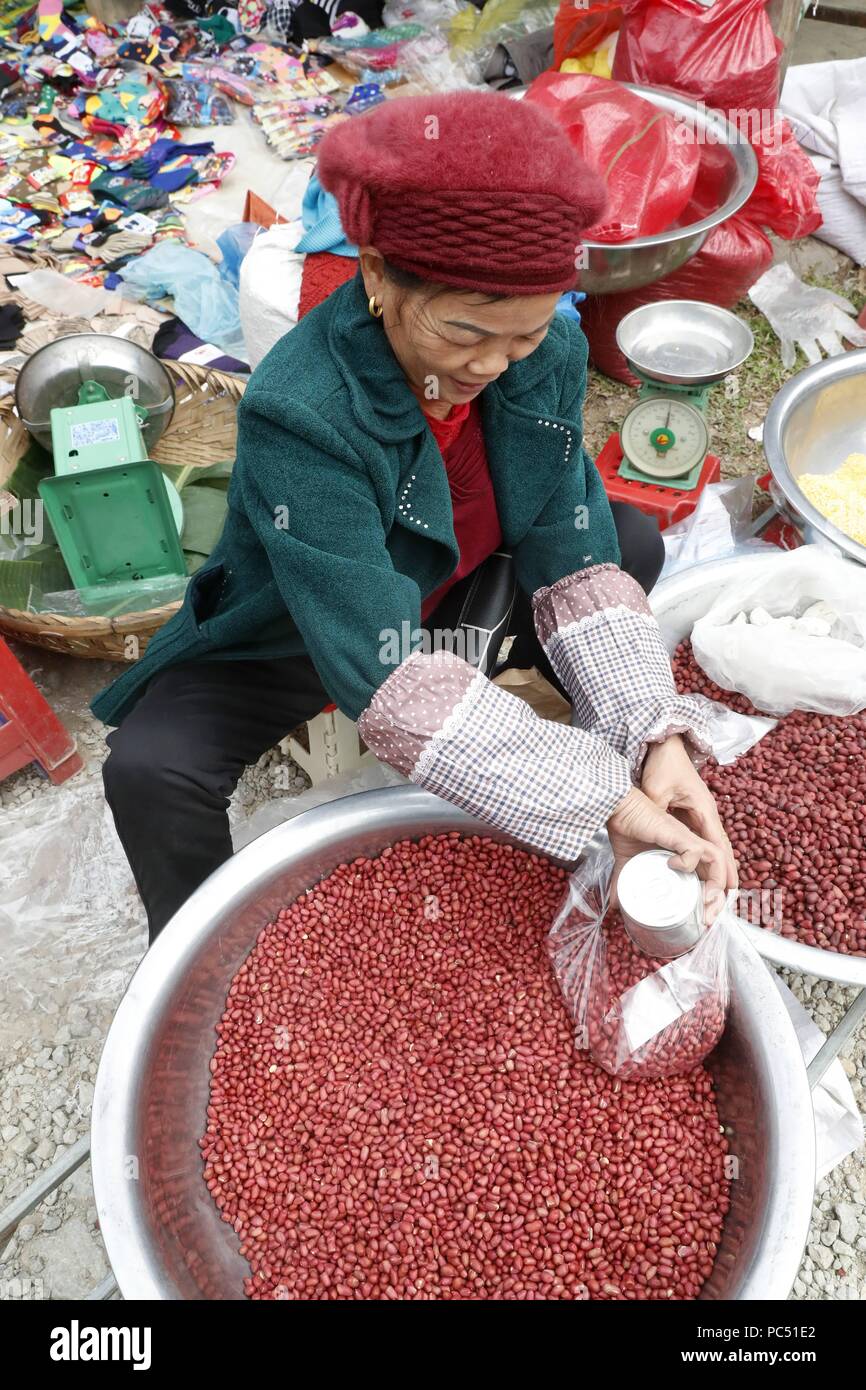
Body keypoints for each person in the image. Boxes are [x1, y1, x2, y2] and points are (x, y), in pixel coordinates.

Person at [93, 90, 736, 943]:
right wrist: (598, 799)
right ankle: (212, 955)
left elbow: (568, 542)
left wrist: (654, 740)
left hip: (464, 588)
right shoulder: (303, 409)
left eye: (523, 335)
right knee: (150, 768)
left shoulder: (549, 353)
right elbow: (375, 661)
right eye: (466, 332)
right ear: (375, 279)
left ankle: (587, 739)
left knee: (630, 541)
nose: (493, 364)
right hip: (313, 623)